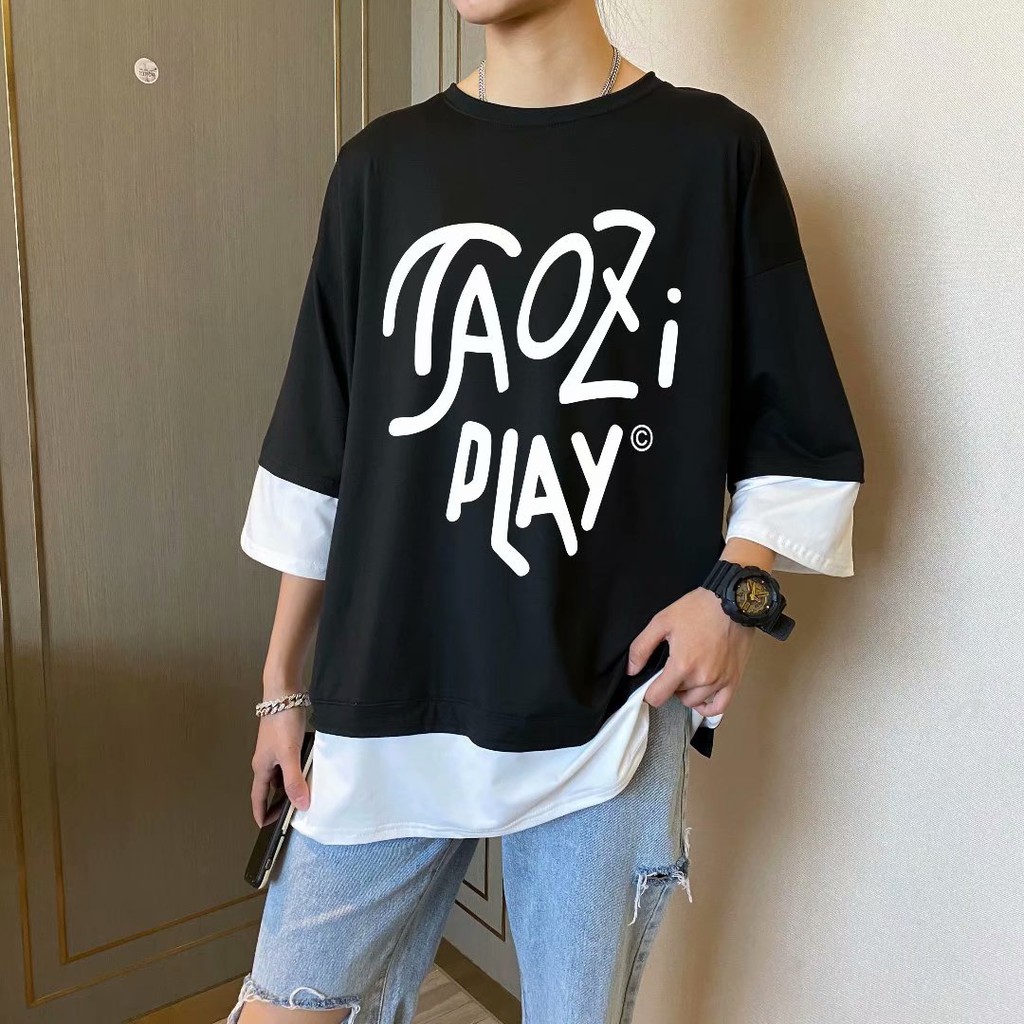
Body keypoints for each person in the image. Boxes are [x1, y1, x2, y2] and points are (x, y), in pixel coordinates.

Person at [229, 1, 864, 1021]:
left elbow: (796, 426)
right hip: (392, 687)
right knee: (286, 1004)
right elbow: (318, 446)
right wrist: (279, 686)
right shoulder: (383, 169)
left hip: (609, 708)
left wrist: (732, 596)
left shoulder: (711, 154)